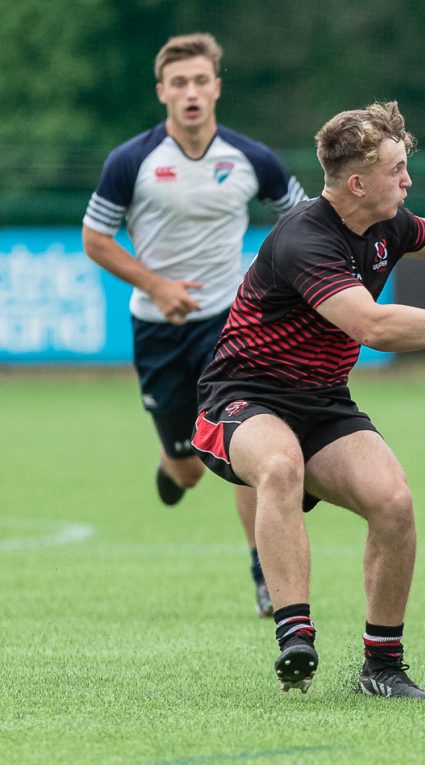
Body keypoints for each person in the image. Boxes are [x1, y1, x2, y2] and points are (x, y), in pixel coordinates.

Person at [191, 101, 425, 698]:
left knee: (394, 503)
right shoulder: (305, 238)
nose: (407, 180)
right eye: (398, 169)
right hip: (242, 395)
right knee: (279, 466)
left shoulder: (385, 226)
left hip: (322, 401)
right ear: (357, 182)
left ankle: (381, 667)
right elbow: (373, 327)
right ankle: (295, 632)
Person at [82, 33, 307, 620]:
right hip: (157, 329)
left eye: (200, 81)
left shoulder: (251, 159)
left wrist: (273, 282)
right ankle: (173, 467)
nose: (190, 93)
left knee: (244, 446)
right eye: (178, 83)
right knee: (188, 467)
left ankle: (265, 575)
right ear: (162, 92)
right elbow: (95, 239)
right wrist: (156, 286)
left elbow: (305, 224)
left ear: (216, 88)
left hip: (232, 326)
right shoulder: (131, 161)